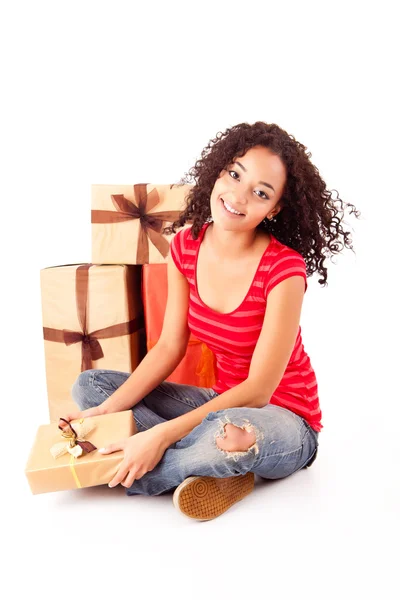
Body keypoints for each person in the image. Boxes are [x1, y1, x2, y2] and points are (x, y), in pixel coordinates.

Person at [67, 121, 361, 521]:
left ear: (273, 209)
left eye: (260, 192)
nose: (237, 196)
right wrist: (107, 412)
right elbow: (169, 347)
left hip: (284, 420)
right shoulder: (185, 246)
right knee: (93, 387)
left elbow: (259, 390)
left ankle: (141, 469)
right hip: (216, 405)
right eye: (235, 174)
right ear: (219, 170)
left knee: (231, 438)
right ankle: (212, 472)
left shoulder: (284, 271)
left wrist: (158, 433)